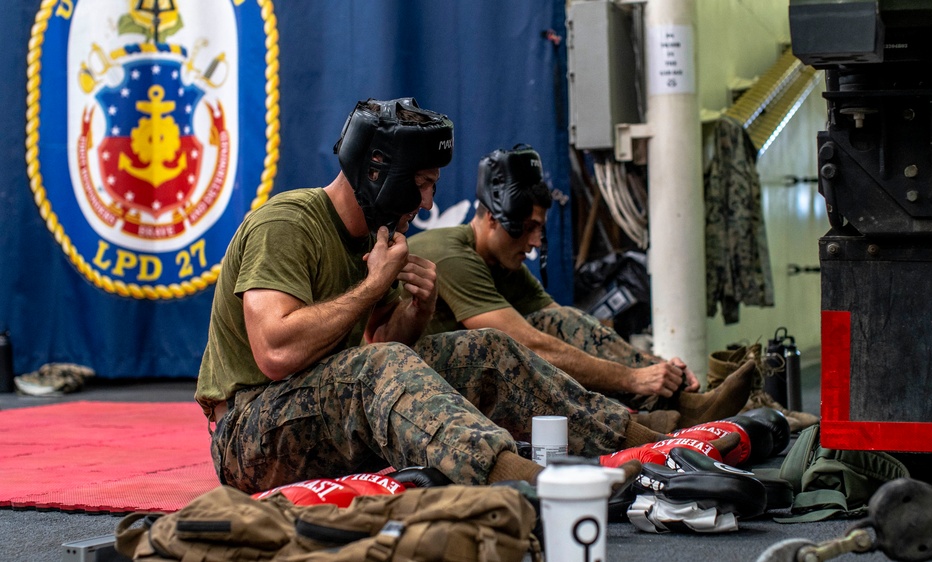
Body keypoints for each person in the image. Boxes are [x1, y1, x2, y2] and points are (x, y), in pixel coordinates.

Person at [195, 99, 742, 495]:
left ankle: (652, 441)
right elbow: (275, 352)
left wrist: (417, 311)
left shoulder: (375, 237)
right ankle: (527, 482)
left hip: (312, 413)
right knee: (380, 367)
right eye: (425, 184)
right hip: (250, 435)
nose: (430, 204)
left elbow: (380, 344)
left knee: (485, 348)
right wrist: (372, 286)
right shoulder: (287, 224)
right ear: (381, 174)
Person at [408, 145, 752, 426]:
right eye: (527, 228)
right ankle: (633, 424)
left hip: (472, 376)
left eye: (539, 229)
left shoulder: (503, 262)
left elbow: (566, 328)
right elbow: (532, 346)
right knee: (521, 348)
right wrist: (633, 378)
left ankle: (683, 400)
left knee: (561, 322)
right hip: (422, 384)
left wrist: (655, 368)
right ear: (494, 219)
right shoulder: (451, 254)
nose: (534, 242)